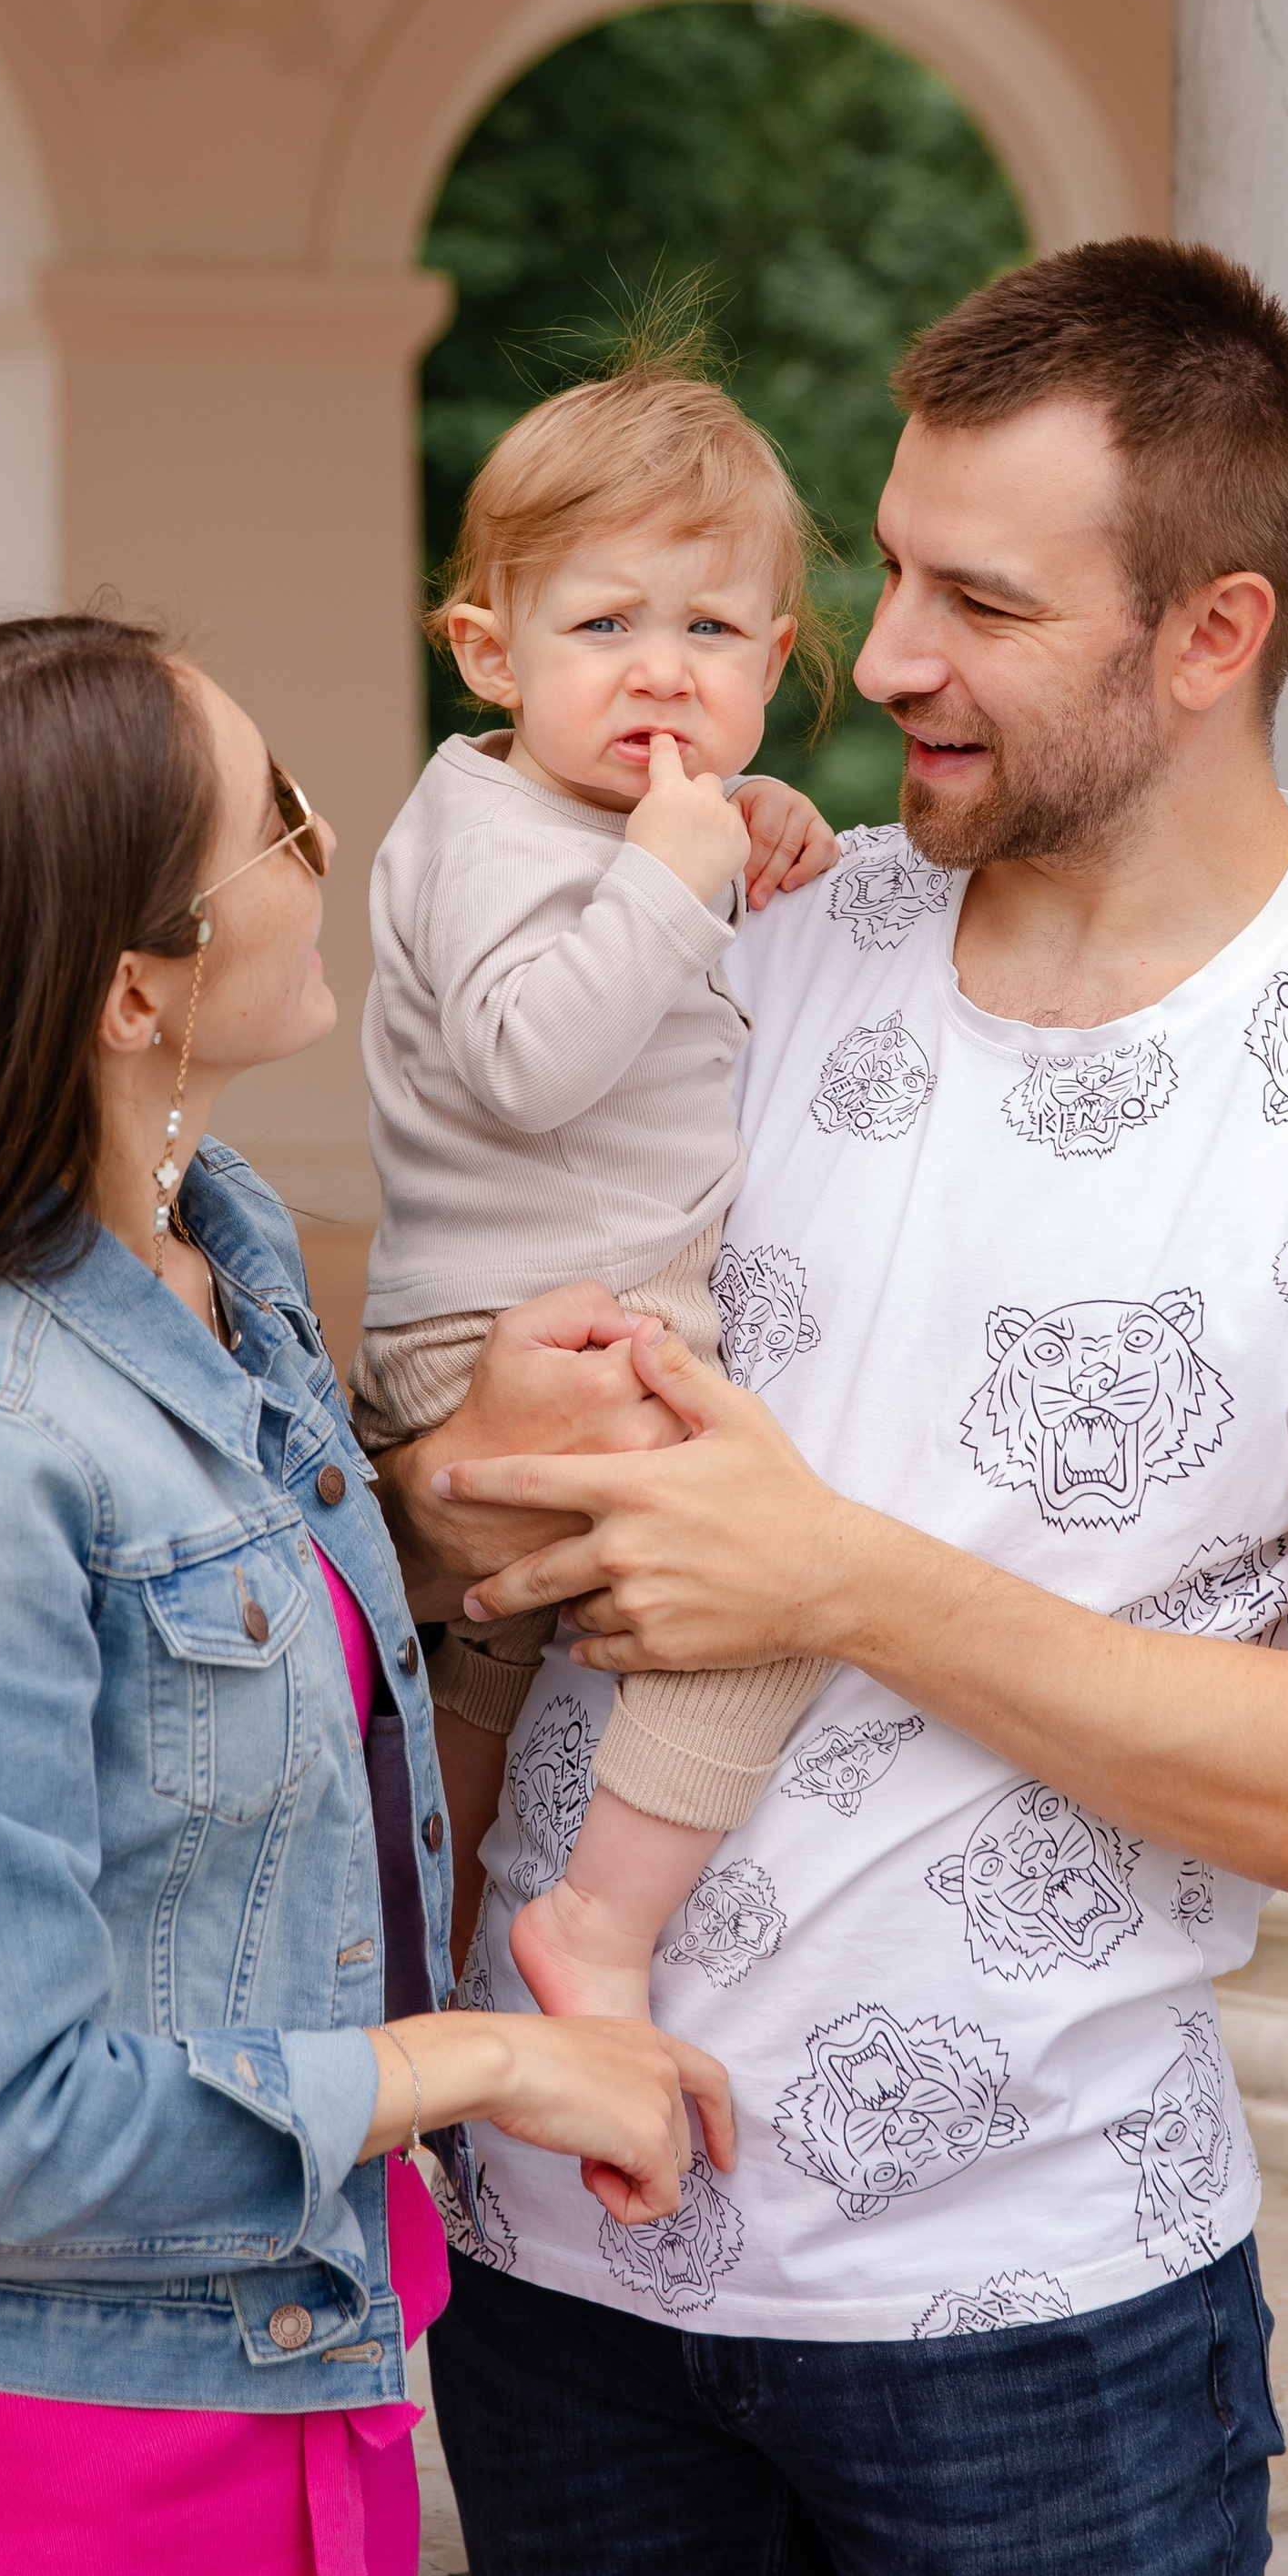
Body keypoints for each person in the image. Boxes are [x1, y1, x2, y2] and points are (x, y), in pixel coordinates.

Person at [382, 238, 1288, 2576]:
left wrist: (844, 1579)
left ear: (1210, 633)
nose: (889, 657)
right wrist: (444, 1475)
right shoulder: (772, 919)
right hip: (563, 2251)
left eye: (980, 599)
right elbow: (470, 1462)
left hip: (1036, 2308)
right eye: (891, 569)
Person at [0, 614, 730, 2576]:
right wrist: (480, 2060)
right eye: (281, 821)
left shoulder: (205, 1256)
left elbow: (199, 1682)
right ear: (135, 988)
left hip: (292, 2390)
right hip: (66, 2495)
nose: (329, 849)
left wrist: (425, 1482)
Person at [353, 362, 842, 2019]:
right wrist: (670, 869)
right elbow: (530, 1059)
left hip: (544, 1330)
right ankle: (602, 1928)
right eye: (604, 626)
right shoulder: (488, 830)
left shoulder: (627, 818)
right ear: (491, 652)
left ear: (775, 661)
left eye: (711, 633)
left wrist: (729, 832)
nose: (661, 670)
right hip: (515, 1342)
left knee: (472, 1692)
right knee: (780, 1587)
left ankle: (415, 1979)